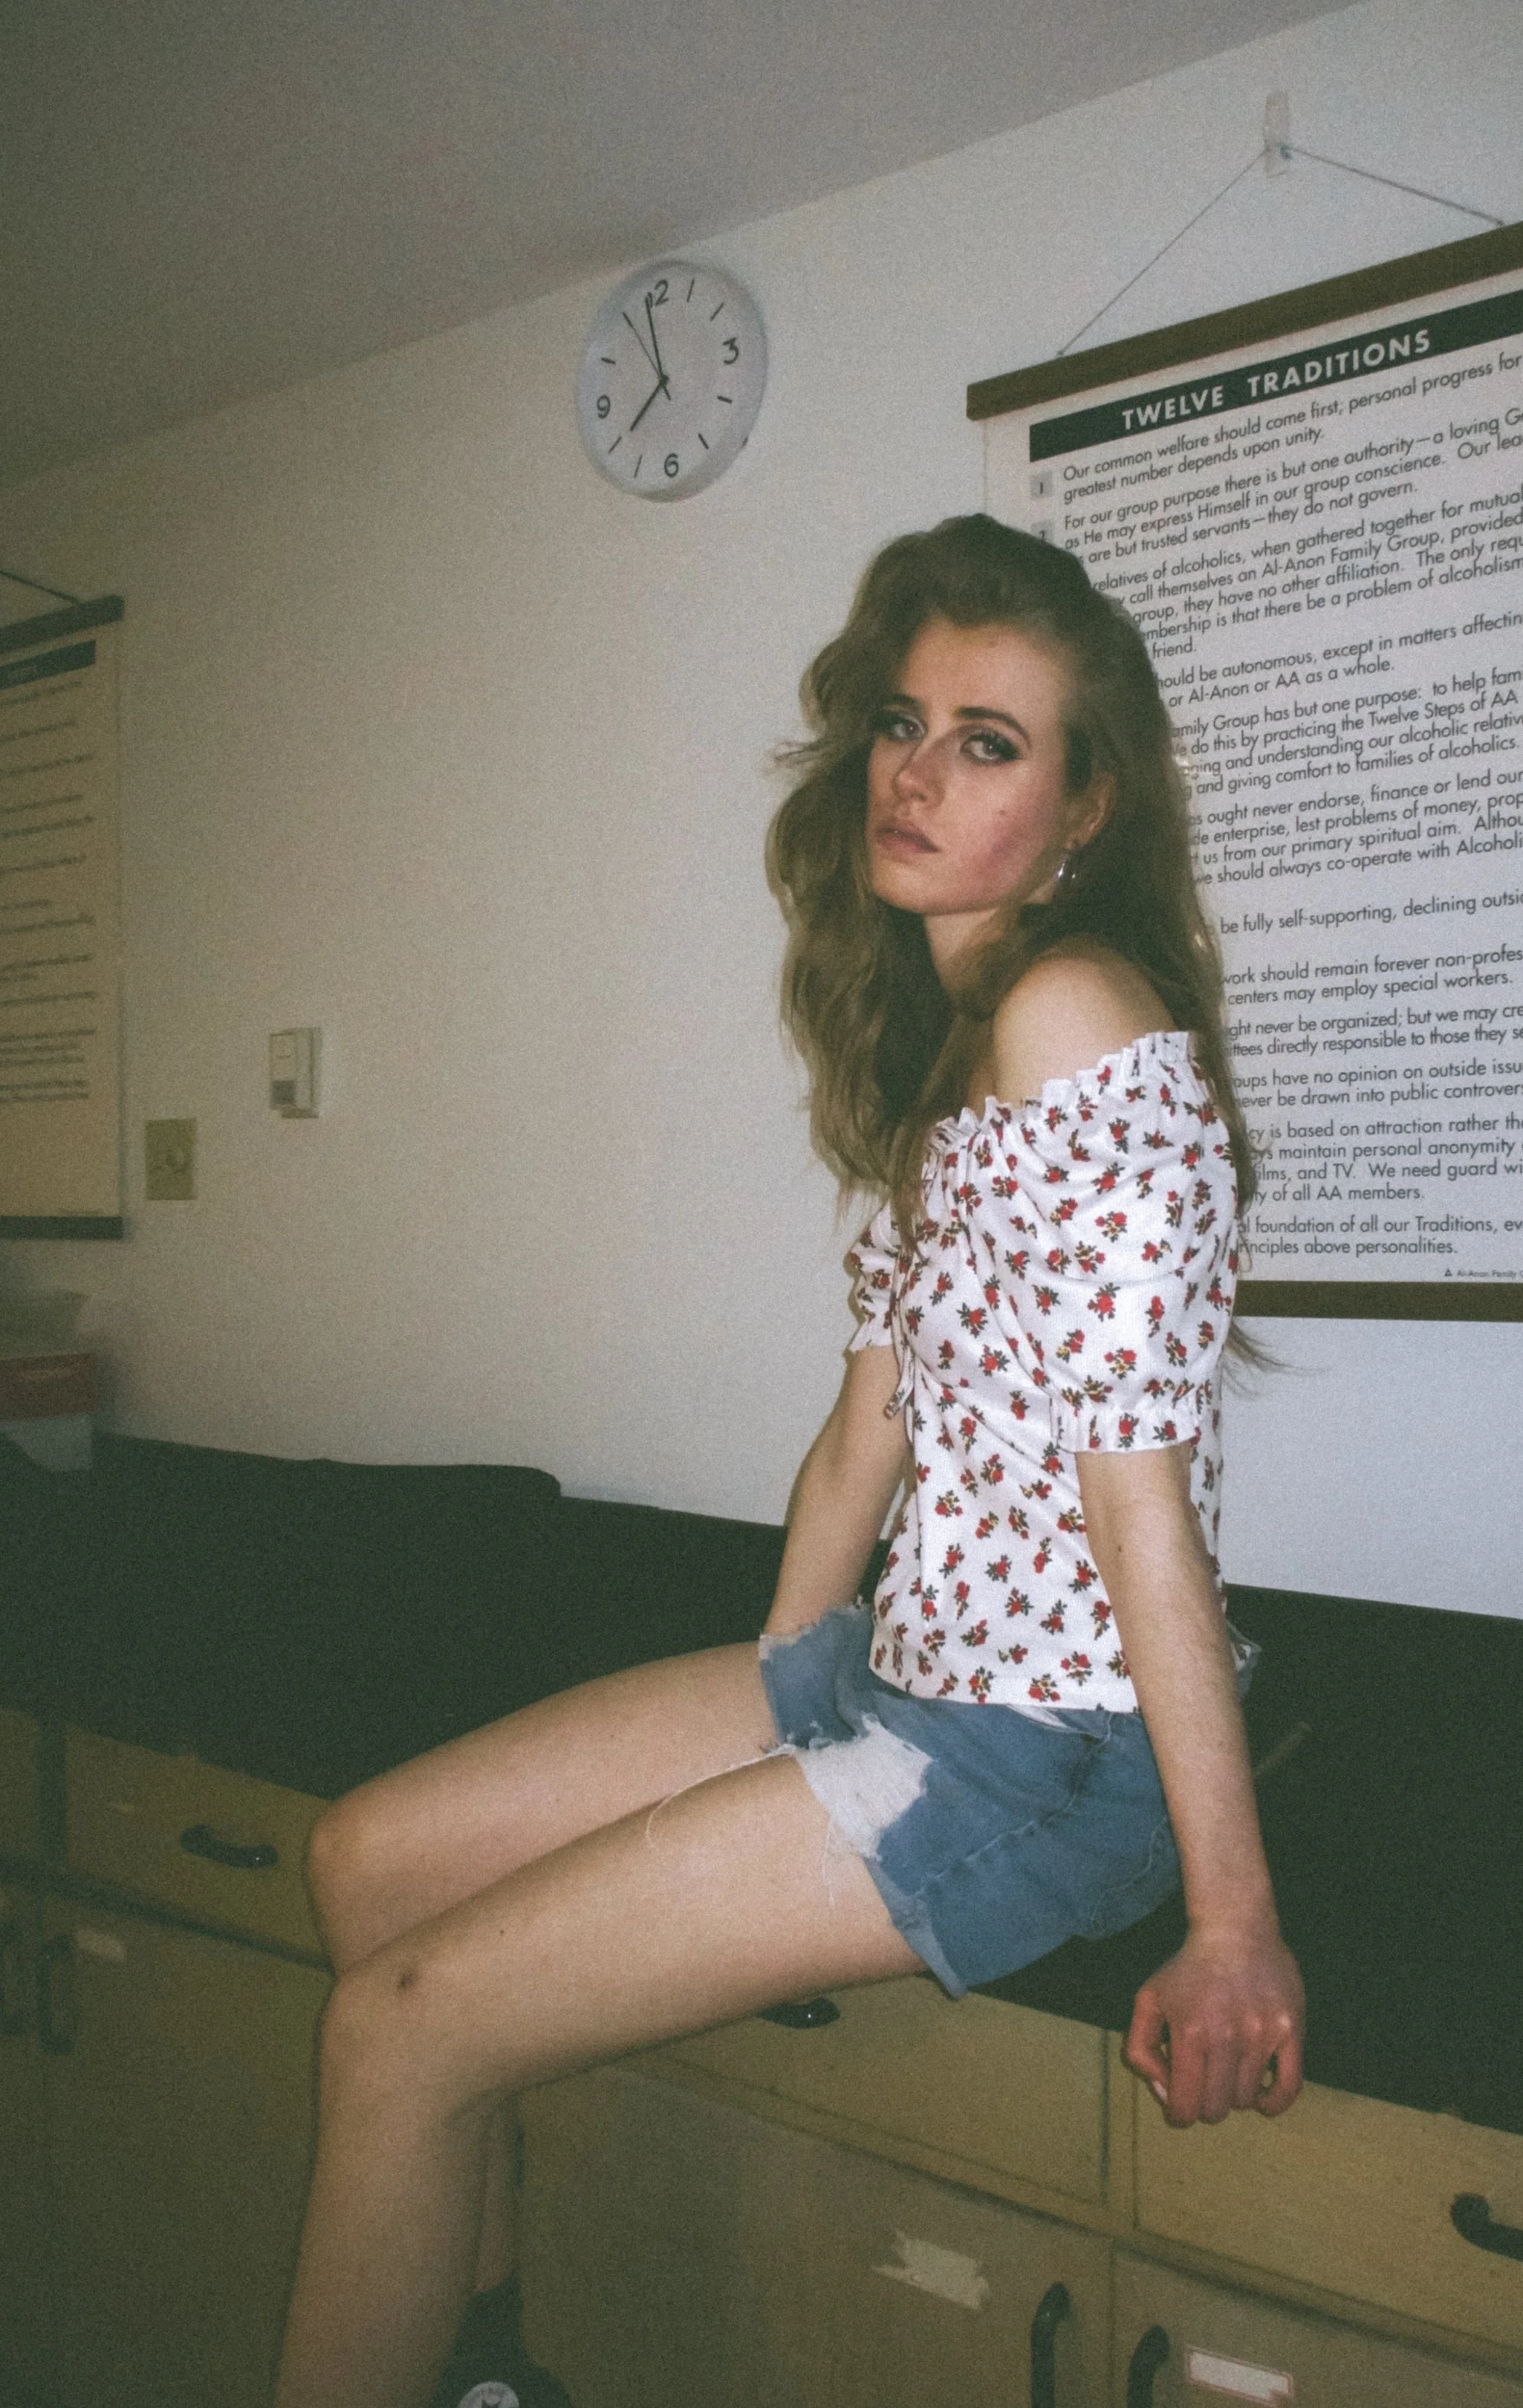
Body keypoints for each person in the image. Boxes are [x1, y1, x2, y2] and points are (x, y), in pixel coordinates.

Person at [274, 514, 1304, 2408]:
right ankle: (485, 2360)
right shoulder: (945, 1039)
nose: (916, 771)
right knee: (370, 1868)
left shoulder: (1074, 1020)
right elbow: (864, 1434)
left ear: (1084, 809)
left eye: (989, 740)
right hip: (895, 1674)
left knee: (394, 2029)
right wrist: (776, 1703)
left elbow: (1137, 1507)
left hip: (1043, 1747)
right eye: (904, 723)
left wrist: (1232, 1916)